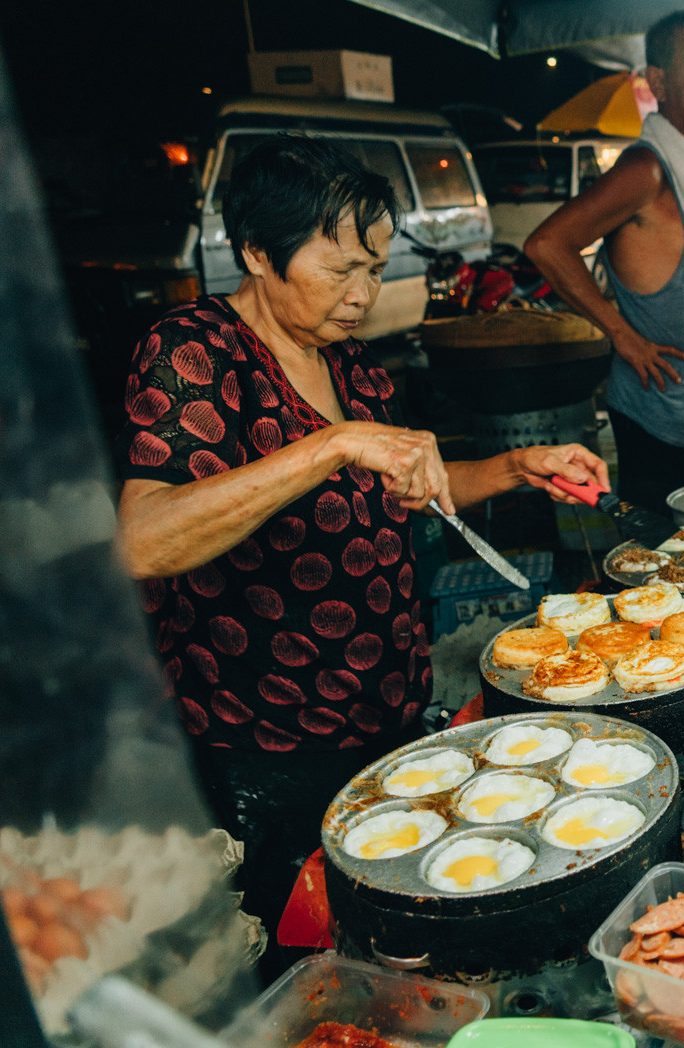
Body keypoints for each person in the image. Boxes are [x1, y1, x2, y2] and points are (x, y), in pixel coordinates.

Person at [112, 135, 607, 975]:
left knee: (387, 952)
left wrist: (520, 467)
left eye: (374, 269)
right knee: (294, 960)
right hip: (263, 746)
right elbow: (144, 539)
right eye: (340, 269)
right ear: (259, 253)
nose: (363, 295)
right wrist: (331, 445)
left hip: (379, 717)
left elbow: (414, 480)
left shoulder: (349, 362)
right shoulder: (195, 352)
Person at [524, 10, 684, 513]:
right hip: (660, 418)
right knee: (666, 568)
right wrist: (622, 334)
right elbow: (547, 244)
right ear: (659, 83)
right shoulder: (647, 169)